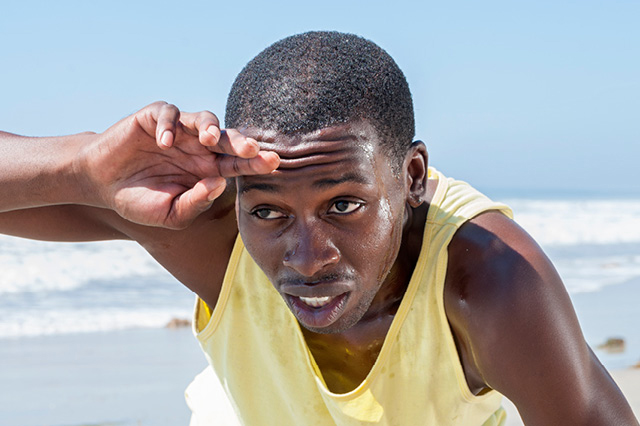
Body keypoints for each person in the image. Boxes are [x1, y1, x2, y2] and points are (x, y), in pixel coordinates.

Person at [0, 31, 637, 426]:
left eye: (343, 206)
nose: (306, 259)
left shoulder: (490, 285)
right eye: (270, 212)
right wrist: (81, 169)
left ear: (412, 176)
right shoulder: (213, 231)